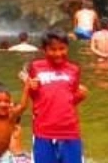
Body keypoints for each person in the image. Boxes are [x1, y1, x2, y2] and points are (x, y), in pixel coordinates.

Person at [23, 28, 88, 163]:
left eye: (62, 48)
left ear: (67, 48)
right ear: (44, 50)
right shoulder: (36, 67)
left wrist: (80, 96)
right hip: (43, 131)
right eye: (53, 49)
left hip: (69, 130)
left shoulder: (74, 69)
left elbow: (69, 99)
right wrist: (30, 87)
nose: (58, 53)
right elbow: (35, 97)